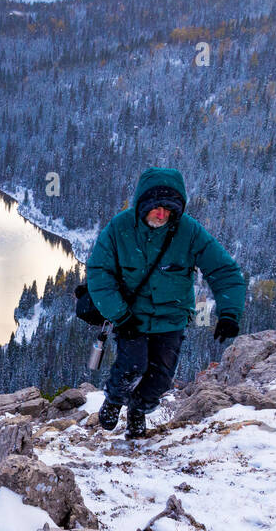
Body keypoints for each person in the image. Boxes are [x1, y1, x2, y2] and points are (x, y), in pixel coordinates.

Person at [85, 166, 246, 438]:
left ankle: (137, 411)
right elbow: (99, 274)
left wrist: (230, 313)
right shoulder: (119, 228)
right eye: (155, 207)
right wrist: (120, 314)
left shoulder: (189, 231)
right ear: (142, 204)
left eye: (168, 208)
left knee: (160, 379)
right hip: (130, 316)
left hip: (171, 318)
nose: (162, 214)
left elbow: (223, 270)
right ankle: (113, 400)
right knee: (132, 365)